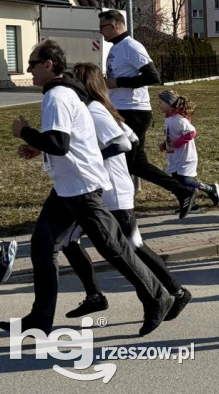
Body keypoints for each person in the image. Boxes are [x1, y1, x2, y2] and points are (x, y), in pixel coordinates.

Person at [2, 40, 172, 336]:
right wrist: (36, 143)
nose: (29, 69)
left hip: (82, 186)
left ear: (48, 65)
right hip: (68, 187)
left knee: (115, 247)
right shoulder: (63, 94)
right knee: (43, 247)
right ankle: (39, 320)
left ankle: (159, 297)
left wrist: (25, 133)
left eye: (32, 63)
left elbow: (59, 143)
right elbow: (67, 140)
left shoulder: (57, 95)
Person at [60, 63, 192, 322]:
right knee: (68, 240)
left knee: (134, 245)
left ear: (84, 84)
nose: (68, 85)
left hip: (113, 191)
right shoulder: (96, 109)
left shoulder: (96, 110)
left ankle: (176, 292)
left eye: (73, 80)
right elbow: (131, 138)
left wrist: (94, 157)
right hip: (95, 190)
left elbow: (123, 142)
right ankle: (94, 296)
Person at [98, 9, 196, 215]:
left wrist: (118, 82)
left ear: (115, 25)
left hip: (134, 111)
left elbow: (152, 76)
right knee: (127, 161)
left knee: (133, 162)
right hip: (122, 110)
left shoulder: (131, 46)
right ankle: (118, 205)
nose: (101, 33)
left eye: (103, 28)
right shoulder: (117, 48)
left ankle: (182, 191)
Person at [157, 90, 219, 217]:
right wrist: (166, 144)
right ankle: (192, 205)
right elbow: (172, 136)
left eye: (161, 102)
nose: (158, 105)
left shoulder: (178, 120)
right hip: (175, 156)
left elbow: (191, 133)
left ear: (170, 104)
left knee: (185, 181)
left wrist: (177, 143)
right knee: (177, 180)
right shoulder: (169, 119)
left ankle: (210, 189)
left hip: (186, 156)